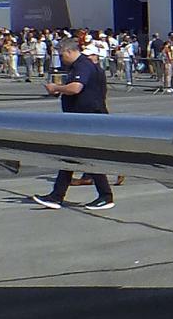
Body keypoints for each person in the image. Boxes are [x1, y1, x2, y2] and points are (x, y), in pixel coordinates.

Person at [29, 37, 115, 211]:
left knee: (81, 157)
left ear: (69, 51)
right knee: (74, 158)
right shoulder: (79, 66)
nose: (61, 59)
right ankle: (58, 196)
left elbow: (76, 88)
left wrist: (56, 88)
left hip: (88, 119)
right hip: (81, 118)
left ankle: (104, 196)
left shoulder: (82, 65)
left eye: (62, 55)